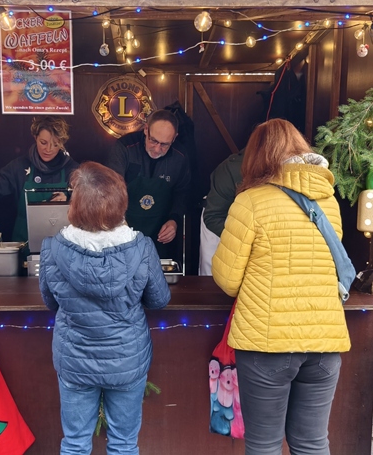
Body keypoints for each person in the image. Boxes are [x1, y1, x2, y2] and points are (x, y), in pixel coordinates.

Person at [211, 119, 349, 455]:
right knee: (312, 443)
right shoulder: (328, 202)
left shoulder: (250, 202)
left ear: (255, 157)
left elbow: (228, 280)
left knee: (264, 445)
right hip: (325, 342)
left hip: (266, 344)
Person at [39, 161, 171, 455]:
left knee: (75, 444)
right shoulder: (141, 247)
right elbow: (159, 300)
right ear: (120, 204)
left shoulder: (52, 248)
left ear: (75, 205)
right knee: (124, 444)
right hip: (126, 360)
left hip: (75, 360)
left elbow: (50, 302)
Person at [0, 115, 79, 243]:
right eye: (43, 143)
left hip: (62, 244)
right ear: (35, 137)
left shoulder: (72, 169)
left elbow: (85, 202)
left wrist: (68, 200)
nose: (48, 149)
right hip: (24, 242)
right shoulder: (19, 166)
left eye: (55, 145)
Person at [106, 109, 191, 258]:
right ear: (146, 129)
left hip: (160, 234)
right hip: (124, 228)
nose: (157, 149)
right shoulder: (125, 148)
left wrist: (174, 220)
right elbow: (111, 191)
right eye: (154, 141)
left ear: (174, 138)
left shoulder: (180, 157)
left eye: (164, 144)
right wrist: (120, 225)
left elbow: (182, 193)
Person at [199, 149, 244, 275]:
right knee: (213, 278)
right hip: (220, 225)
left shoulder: (291, 168)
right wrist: (245, 238)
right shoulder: (230, 169)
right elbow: (213, 216)